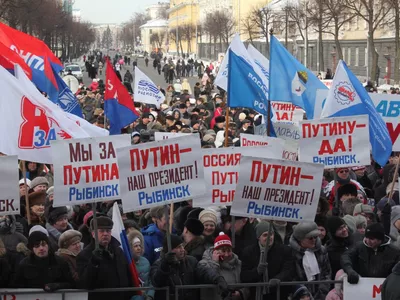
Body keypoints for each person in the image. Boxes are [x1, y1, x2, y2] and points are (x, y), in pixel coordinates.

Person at [77, 216, 135, 300]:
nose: (105, 234)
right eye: (101, 231)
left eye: (108, 231)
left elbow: (128, 275)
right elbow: (85, 283)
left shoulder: (118, 251)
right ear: (93, 234)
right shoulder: (85, 255)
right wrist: (93, 263)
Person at [240, 222, 294, 300]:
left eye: (271, 234)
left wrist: (278, 279)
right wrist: (257, 272)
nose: (269, 237)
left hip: (278, 294)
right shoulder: (248, 252)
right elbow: (244, 276)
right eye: (265, 235)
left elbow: (288, 270)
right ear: (258, 237)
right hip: (256, 295)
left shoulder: (284, 250)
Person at [289, 222, 331, 300]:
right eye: (310, 238)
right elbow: (292, 278)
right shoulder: (290, 252)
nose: (314, 240)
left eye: (315, 237)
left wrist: (322, 292)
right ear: (300, 239)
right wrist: (303, 294)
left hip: (320, 295)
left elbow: (326, 273)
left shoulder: (321, 250)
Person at [197, 232, 245, 300]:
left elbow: (246, 284)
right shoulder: (204, 263)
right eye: (223, 251)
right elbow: (207, 277)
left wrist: (240, 293)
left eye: (229, 251)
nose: (226, 254)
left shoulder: (238, 263)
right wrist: (214, 263)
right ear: (215, 251)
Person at [150, 235, 198, 300]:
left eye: (182, 246)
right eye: (178, 247)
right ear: (169, 250)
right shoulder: (158, 264)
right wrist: (165, 265)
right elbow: (157, 282)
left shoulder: (191, 261)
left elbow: (202, 273)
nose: (182, 249)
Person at [127, 229, 154, 300]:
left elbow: (150, 281)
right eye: (135, 246)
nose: (139, 248)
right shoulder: (126, 263)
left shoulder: (146, 261)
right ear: (130, 248)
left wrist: (150, 295)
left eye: (140, 245)